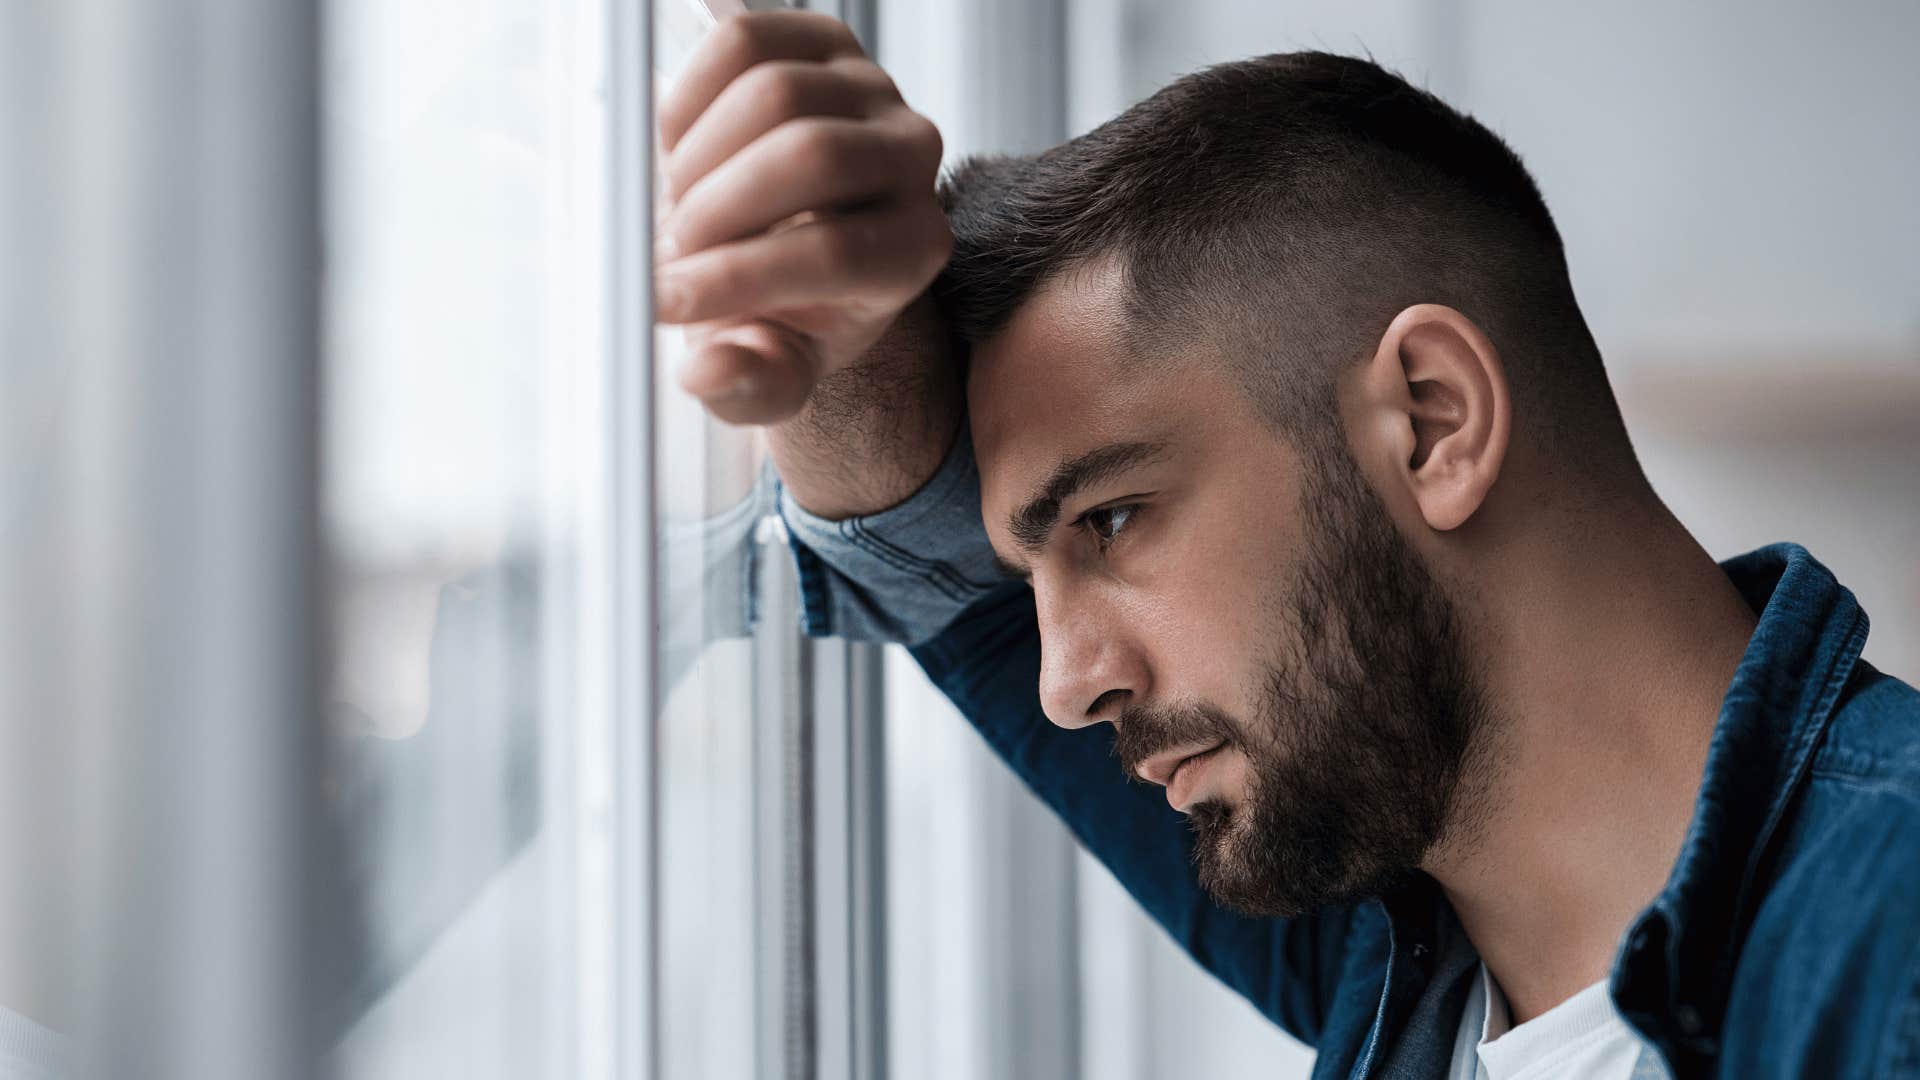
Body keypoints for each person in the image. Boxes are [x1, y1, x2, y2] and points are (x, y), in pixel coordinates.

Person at [655, 11, 1920, 1079]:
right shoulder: (1397, 927)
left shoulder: (1892, 945)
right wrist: (838, 333)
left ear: (1432, 422)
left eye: (1111, 519)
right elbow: (927, 564)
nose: (1063, 681)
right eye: (1034, 569)